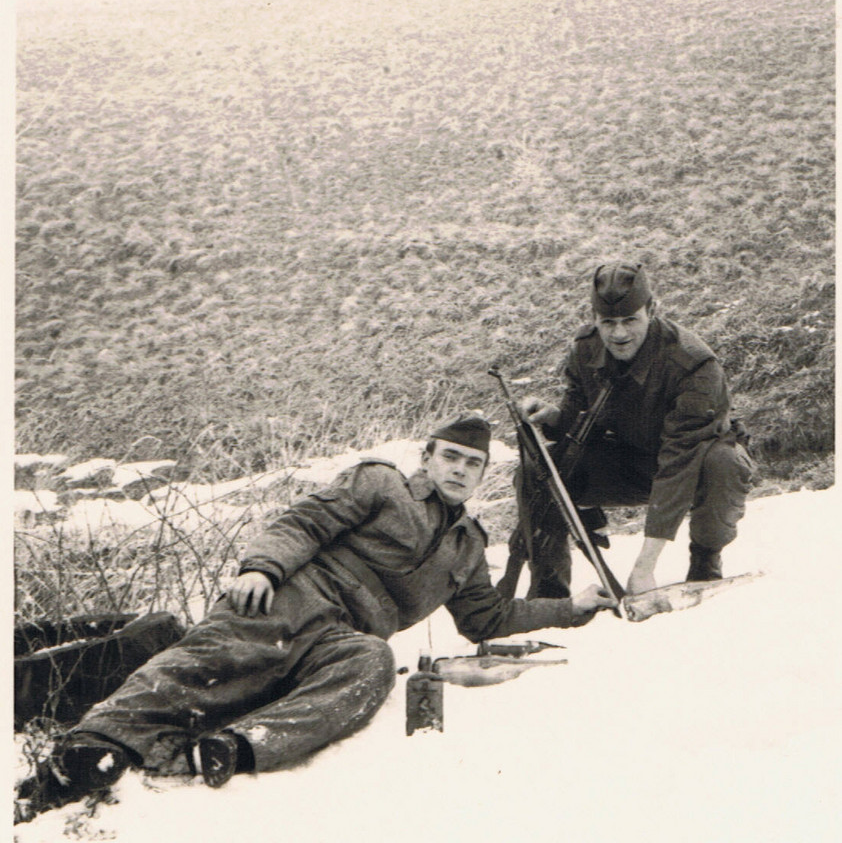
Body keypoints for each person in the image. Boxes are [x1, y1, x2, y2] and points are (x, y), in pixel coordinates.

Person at [18, 415, 613, 819]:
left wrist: (571, 608)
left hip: (345, 638)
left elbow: (486, 616)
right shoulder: (381, 485)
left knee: (373, 663)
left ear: (483, 475)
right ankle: (92, 748)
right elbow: (304, 522)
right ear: (426, 459)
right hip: (293, 596)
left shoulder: (467, 547)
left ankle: (236, 748)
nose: (459, 470)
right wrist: (262, 568)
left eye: (472, 464)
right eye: (449, 457)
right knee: (212, 659)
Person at [500, 261, 756, 602]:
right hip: (632, 461)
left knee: (722, 462)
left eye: (630, 320)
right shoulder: (586, 348)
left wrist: (644, 566)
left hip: (693, 465)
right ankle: (550, 594)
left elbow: (680, 460)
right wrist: (555, 417)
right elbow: (581, 419)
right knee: (538, 469)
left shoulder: (693, 364)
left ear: (651, 310)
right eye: (608, 322)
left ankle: (705, 562)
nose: (618, 334)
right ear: (594, 318)